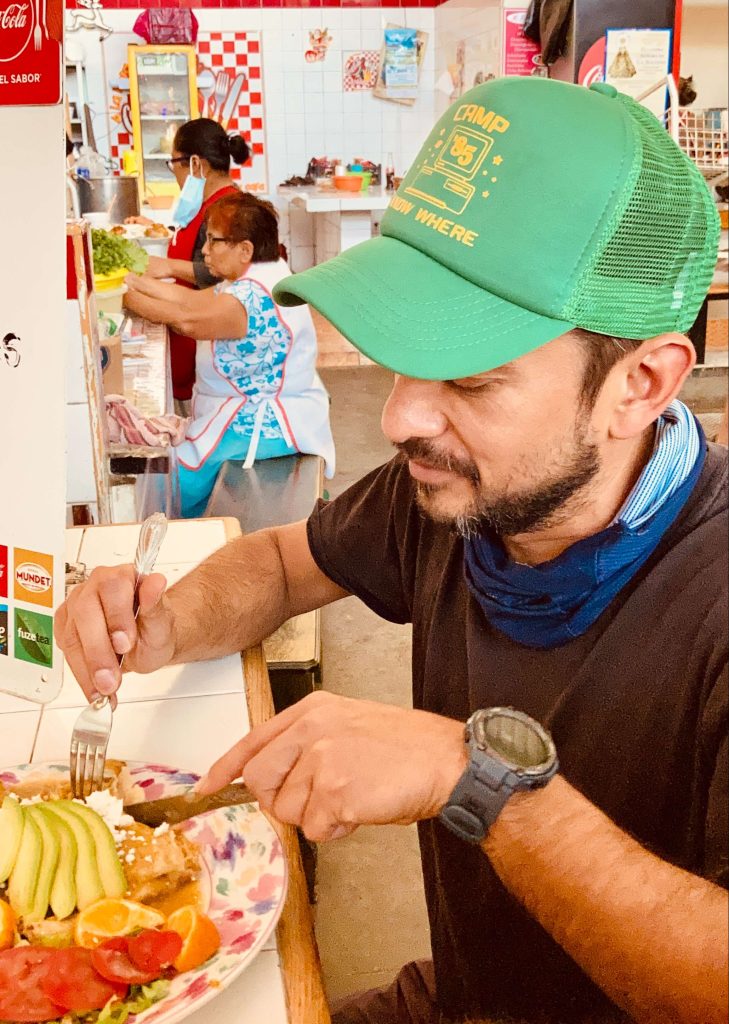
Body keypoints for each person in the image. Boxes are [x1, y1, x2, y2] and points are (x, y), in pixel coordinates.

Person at [56, 78, 727, 1024]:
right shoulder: (460, 494)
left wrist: (481, 786)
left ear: (640, 383)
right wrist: (165, 622)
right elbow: (287, 563)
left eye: (473, 378)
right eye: (406, 352)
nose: (403, 414)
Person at [124, 191, 334, 518]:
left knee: (165, 480)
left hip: (261, 430)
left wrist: (122, 298)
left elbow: (188, 320)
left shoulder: (253, 298)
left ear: (244, 250)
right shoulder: (262, 274)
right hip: (253, 417)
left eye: (213, 240)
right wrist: (130, 281)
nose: (205, 250)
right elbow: (191, 301)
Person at [128, 119, 250, 408]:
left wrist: (166, 269)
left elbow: (215, 274)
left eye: (175, 164)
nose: (176, 175)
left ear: (196, 164)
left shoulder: (229, 208)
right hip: (189, 327)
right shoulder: (208, 203)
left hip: (204, 337)